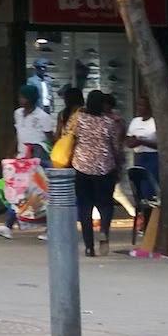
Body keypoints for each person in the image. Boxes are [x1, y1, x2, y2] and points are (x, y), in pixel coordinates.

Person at [0, 83, 55, 238]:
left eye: (23, 97)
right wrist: (10, 152)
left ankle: (50, 228)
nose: (20, 99)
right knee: (18, 194)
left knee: (41, 196)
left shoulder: (43, 117)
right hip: (21, 160)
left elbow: (50, 140)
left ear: (31, 99)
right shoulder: (18, 113)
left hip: (37, 161)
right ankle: (8, 225)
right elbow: (17, 133)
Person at [69, 90, 122, 255]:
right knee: (105, 205)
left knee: (85, 207)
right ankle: (104, 231)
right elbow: (116, 146)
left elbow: (69, 137)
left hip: (81, 167)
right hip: (105, 168)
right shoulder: (109, 123)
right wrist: (118, 165)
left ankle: (89, 246)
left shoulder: (79, 119)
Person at [127, 91, 159, 204]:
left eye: (142, 105)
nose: (139, 108)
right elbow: (129, 141)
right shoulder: (135, 122)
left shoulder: (155, 122)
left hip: (153, 157)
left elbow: (159, 144)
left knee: (150, 187)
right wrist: (134, 142)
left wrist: (141, 141)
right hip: (139, 157)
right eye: (138, 105)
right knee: (139, 187)